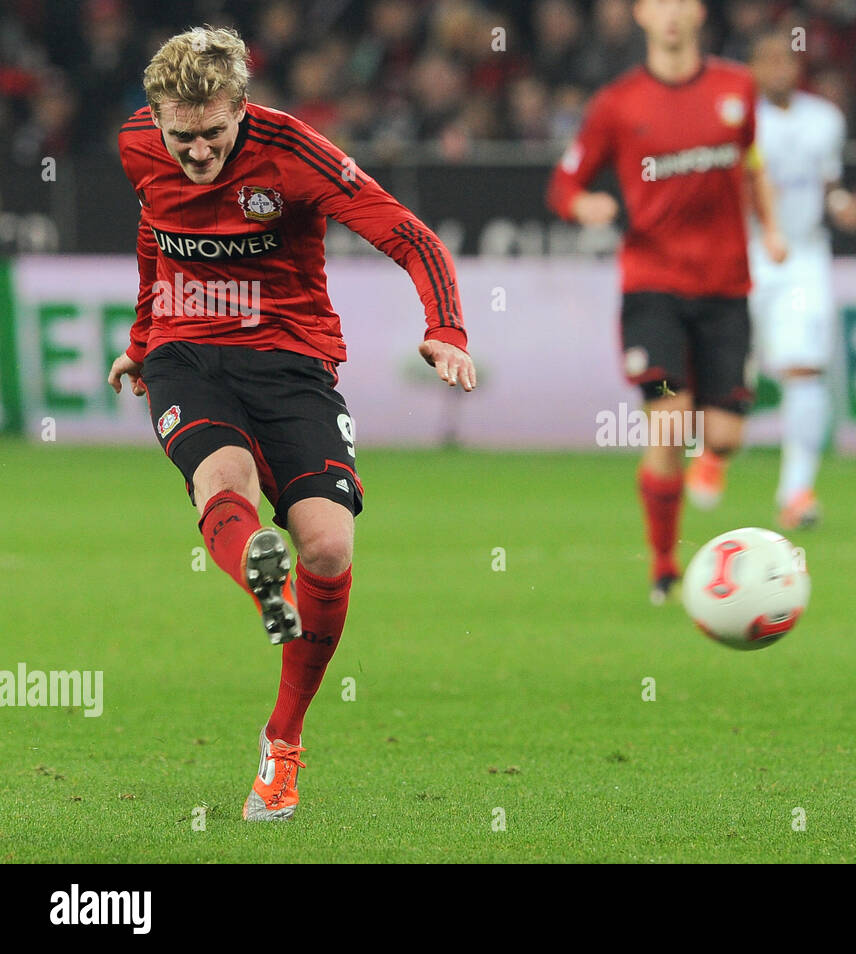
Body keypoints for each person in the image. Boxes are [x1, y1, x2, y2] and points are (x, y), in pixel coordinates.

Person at [108, 26, 475, 822]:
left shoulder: (296, 153)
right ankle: (261, 578)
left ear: (242, 107)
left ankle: (282, 740)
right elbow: (153, 235)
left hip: (291, 361)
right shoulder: (137, 145)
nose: (197, 152)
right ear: (156, 119)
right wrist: (141, 342)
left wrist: (446, 326)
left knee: (332, 548)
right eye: (182, 136)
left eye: (212, 134)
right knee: (222, 477)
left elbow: (409, 235)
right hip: (187, 353)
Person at [546, 0, 786, 604]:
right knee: (671, 424)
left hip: (727, 288)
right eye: (660, 4)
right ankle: (662, 567)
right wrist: (584, 206)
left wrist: (773, 228)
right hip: (652, 288)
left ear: (699, 13)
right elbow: (565, 182)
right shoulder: (618, 104)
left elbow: (755, 166)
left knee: (725, 436)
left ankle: (711, 460)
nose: (672, 14)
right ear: (641, 16)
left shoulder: (738, 88)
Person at [747, 30, 856, 530]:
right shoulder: (739, 120)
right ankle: (710, 455)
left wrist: (844, 207)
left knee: (804, 370)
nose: (779, 69)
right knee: (730, 375)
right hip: (745, 254)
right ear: (753, 68)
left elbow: (829, 185)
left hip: (804, 257)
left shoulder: (825, 119)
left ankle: (796, 491)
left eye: (787, 60)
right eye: (768, 59)